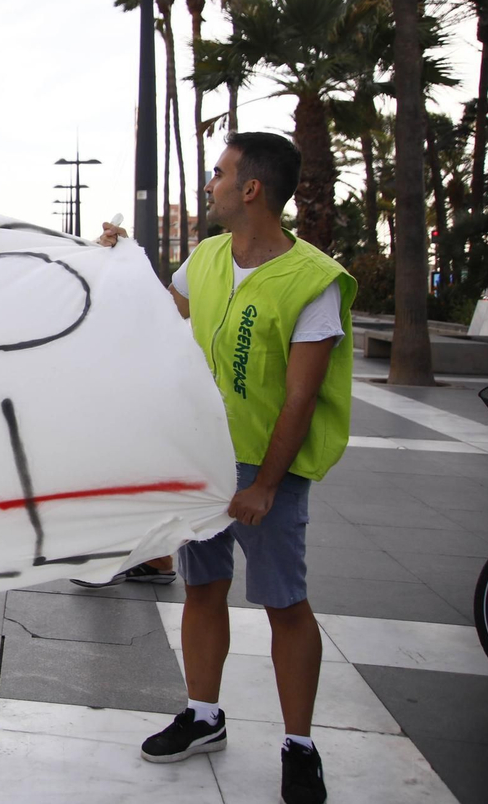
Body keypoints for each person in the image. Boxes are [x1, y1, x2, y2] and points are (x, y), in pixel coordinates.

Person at [103, 132, 352, 804]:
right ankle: (203, 715)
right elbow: (159, 312)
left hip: (265, 470)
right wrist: (115, 264)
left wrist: (266, 485)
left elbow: (301, 396)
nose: (209, 184)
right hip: (202, 458)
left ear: (251, 189)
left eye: (219, 174)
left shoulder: (313, 282)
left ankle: (300, 746)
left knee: (284, 604)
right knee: (203, 588)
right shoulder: (208, 258)